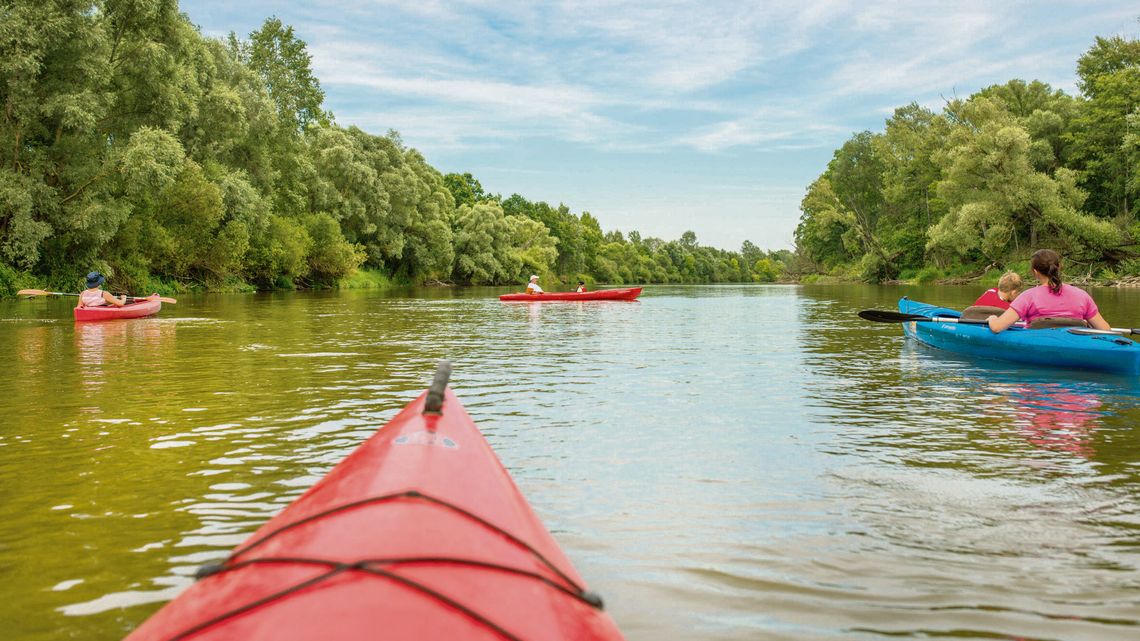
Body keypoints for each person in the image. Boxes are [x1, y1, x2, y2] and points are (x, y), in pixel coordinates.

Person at [988, 249, 1110, 333]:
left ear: (1035, 272)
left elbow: (997, 328)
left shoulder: (1027, 296)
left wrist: (993, 318)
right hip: (1074, 346)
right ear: (1059, 267)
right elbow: (1105, 330)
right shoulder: (1082, 295)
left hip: (1039, 347)